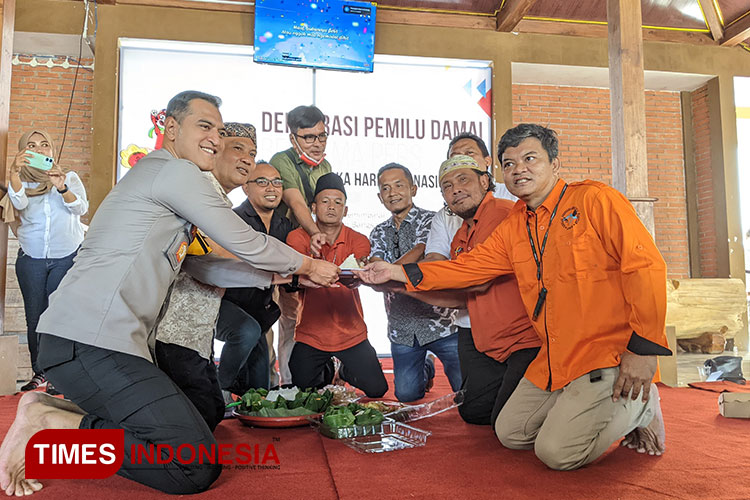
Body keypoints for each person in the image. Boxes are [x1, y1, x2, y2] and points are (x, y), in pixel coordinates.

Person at [0, 91, 339, 497]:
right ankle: (51, 426)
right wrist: (305, 264)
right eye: (205, 126)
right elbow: (241, 238)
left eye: (219, 129)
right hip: (87, 341)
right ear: (171, 129)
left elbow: (202, 264)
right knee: (193, 466)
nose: (215, 137)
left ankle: (50, 415)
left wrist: (274, 278)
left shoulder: (168, 182)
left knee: (194, 426)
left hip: (99, 344)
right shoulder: (174, 172)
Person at [357, 123, 671, 470]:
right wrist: (397, 272)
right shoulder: (515, 225)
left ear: (554, 163)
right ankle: (583, 407)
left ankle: (641, 405)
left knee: (556, 453)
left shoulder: (595, 199)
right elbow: (468, 269)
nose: (518, 168)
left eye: (529, 158)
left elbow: (646, 267)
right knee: (510, 433)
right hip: (554, 357)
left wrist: (645, 348)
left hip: (606, 354)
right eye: (509, 163)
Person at [412, 155, 540, 425]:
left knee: (507, 425)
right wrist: (399, 287)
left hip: (526, 340)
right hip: (489, 341)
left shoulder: (502, 213)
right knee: (474, 412)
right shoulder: (461, 235)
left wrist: (400, 276)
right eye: (446, 186)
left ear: (484, 181)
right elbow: (460, 298)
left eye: (462, 180)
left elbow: (477, 280)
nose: (455, 189)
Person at [153, 122, 264, 431]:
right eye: (238, 149)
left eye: (252, 153)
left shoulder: (218, 201)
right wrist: (296, 268)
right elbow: (206, 258)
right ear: (214, 151)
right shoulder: (196, 194)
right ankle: (62, 421)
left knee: (210, 411)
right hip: (168, 332)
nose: (246, 159)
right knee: (197, 421)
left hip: (196, 333)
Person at [0, 130, 88, 394]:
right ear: (24, 151)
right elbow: (18, 202)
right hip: (32, 259)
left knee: (59, 318)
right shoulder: (21, 181)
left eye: (44, 145)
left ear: (52, 150)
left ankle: (60, 375)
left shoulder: (69, 177)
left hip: (66, 257)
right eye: (31, 146)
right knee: (35, 318)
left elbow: (81, 208)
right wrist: (14, 173)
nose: (39, 150)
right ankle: (40, 373)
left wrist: (61, 186)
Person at [287, 173, 388, 397]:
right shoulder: (297, 238)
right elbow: (293, 277)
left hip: (350, 331)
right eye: (325, 201)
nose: (331, 207)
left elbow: (355, 274)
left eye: (338, 202)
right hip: (311, 332)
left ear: (346, 210)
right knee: (304, 390)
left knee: (378, 389)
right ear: (313, 207)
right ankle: (327, 369)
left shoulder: (359, 239)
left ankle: (345, 370)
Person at [369, 163, 462, 402]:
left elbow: (423, 255)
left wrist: (387, 271)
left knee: (467, 393)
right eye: (386, 188)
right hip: (402, 327)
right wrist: (381, 272)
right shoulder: (378, 231)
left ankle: (429, 362)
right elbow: (375, 265)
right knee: (407, 395)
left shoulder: (433, 221)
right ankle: (427, 368)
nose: (393, 193)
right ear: (380, 197)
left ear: (414, 188)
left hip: (442, 323)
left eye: (399, 185)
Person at [270, 104, 332, 386]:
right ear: (293, 137)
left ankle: (321, 379)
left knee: (318, 317)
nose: (317, 144)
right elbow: (296, 203)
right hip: (287, 252)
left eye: (321, 136)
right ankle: (287, 383)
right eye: (309, 138)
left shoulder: (325, 166)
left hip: (317, 249)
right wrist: (315, 231)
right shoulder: (281, 160)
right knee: (288, 319)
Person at [220, 161, 294, 392]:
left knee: (259, 388)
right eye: (262, 182)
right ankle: (216, 389)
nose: (271, 188)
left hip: (258, 313)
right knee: (247, 331)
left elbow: (291, 271)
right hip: (223, 304)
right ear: (246, 187)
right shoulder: (233, 220)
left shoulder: (285, 226)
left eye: (277, 182)